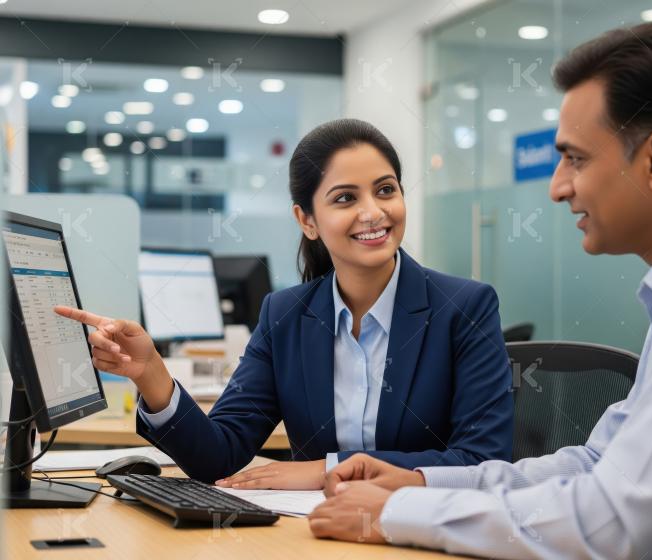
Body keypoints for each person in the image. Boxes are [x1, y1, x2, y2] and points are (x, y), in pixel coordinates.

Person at [307, 22, 652, 558]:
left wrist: (394, 513)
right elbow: (595, 465)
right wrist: (422, 483)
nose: (558, 187)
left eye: (576, 159)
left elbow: (616, 519)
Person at [56, 118, 514, 489]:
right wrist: (151, 373)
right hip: (316, 536)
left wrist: (328, 468)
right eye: (346, 198)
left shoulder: (464, 308)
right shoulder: (286, 315)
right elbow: (218, 454)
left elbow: (482, 460)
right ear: (307, 220)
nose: (374, 212)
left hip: (424, 533)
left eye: (385, 190)